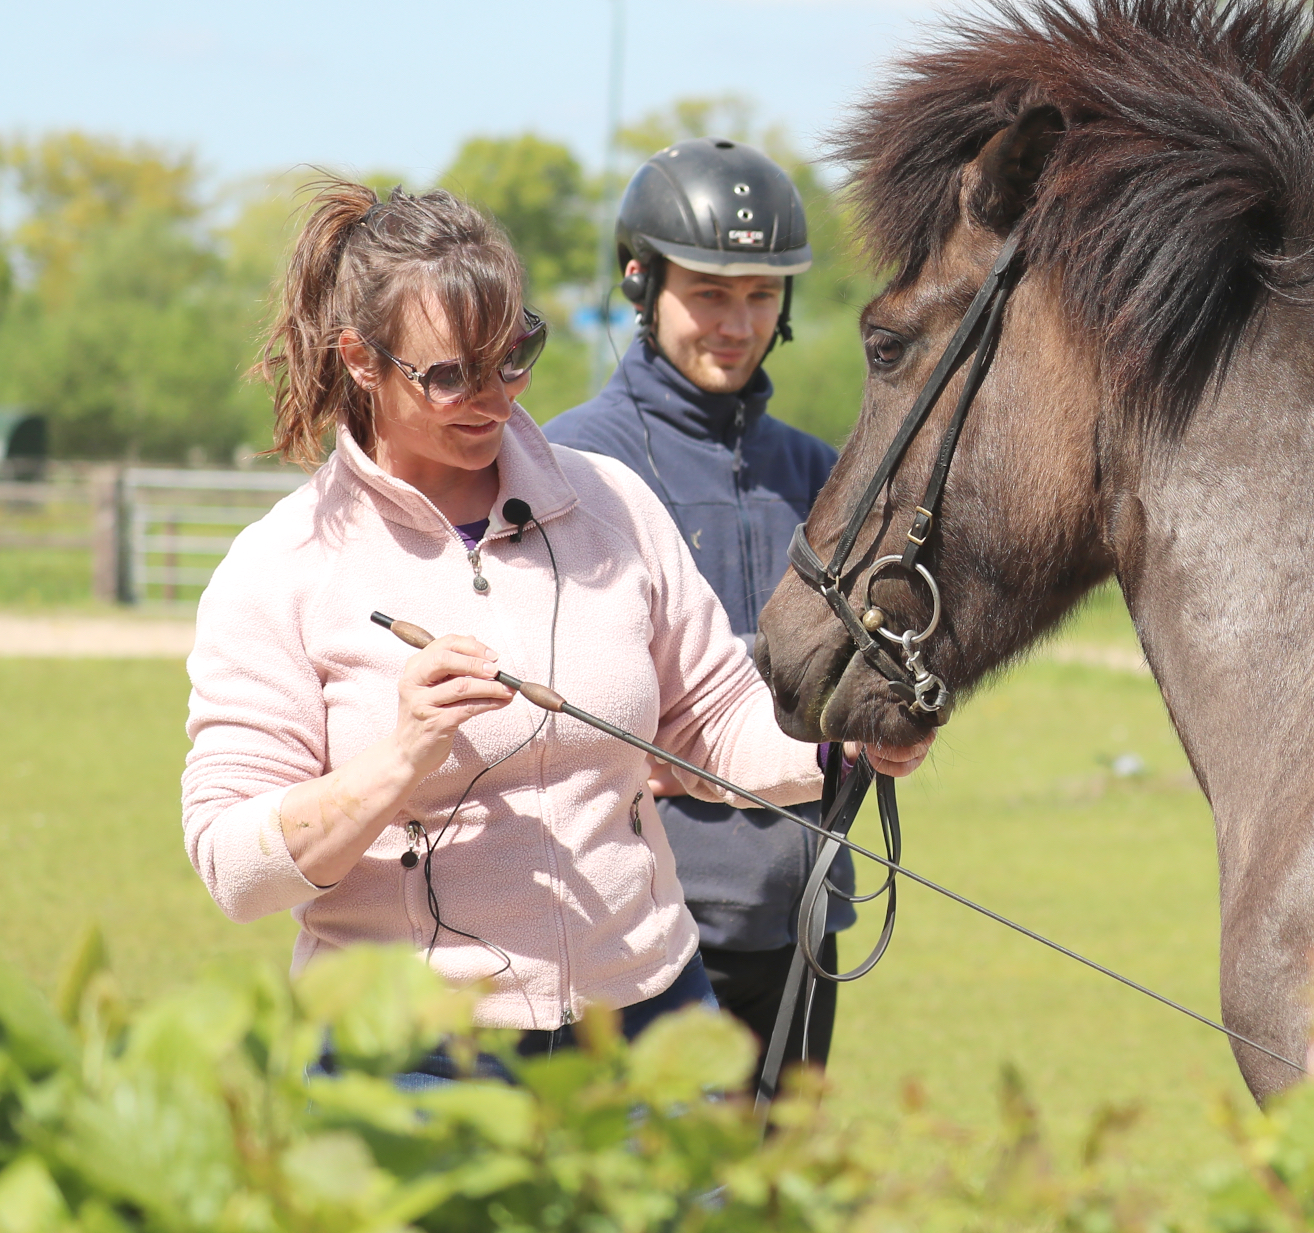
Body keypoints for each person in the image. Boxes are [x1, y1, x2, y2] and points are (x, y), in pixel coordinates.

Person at [180, 179, 923, 1071]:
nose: (493, 401)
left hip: (647, 1023)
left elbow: (715, 719)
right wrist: (398, 761)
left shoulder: (611, 502)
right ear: (360, 360)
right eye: (449, 375)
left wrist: (844, 743)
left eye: (513, 360)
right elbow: (234, 868)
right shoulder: (281, 567)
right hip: (412, 1061)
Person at [544, 137, 852, 1075]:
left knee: (774, 1208)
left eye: (762, 295)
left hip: (799, 920)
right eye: (711, 293)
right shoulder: (573, 467)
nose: (739, 322)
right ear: (642, 283)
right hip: (640, 933)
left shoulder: (817, 472)